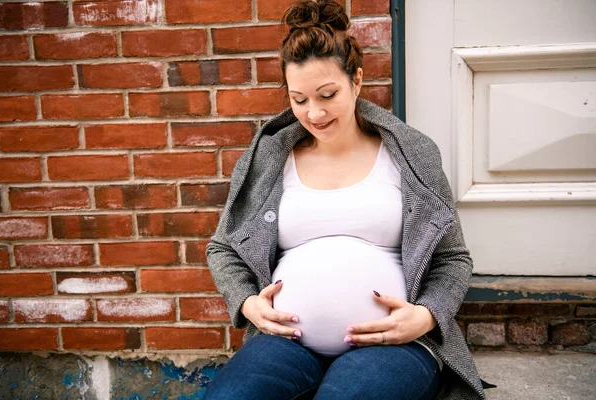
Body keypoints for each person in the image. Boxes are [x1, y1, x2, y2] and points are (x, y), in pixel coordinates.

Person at [204, 0, 484, 398]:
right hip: (286, 343)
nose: (314, 113)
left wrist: (425, 317)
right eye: (299, 99)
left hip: (395, 345)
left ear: (356, 80)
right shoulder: (268, 160)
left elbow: (453, 259)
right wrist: (247, 303)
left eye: (327, 94)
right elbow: (222, 248)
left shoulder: (411, 156)